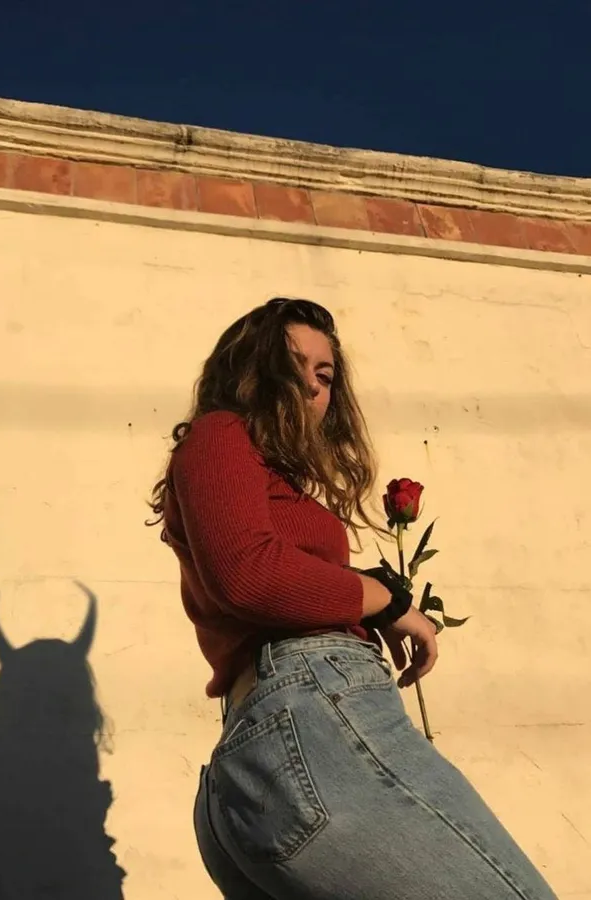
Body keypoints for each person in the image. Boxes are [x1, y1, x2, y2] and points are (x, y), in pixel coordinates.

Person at [147, 297, 557, 900]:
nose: (314, 386)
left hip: (270, 750)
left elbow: (269, 569)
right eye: (294, 366)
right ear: (251, 372)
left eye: (326, 374)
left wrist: (363, 595)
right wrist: (382, 598)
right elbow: (250, 575)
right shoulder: (221, 432)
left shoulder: (266, 477)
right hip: (309, 717)